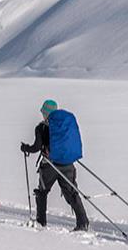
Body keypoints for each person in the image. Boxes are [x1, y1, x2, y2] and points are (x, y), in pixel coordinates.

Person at [21, 99, 89, 232]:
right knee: (72, 193)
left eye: (43, 112)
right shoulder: (63, 125)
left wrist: (25, 148)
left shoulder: (41, 127)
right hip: (67, 163)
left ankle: (41, 222)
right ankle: (83, 222)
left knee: (42, 192)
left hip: (49, 166)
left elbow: (36, 147)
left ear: (46, 112)